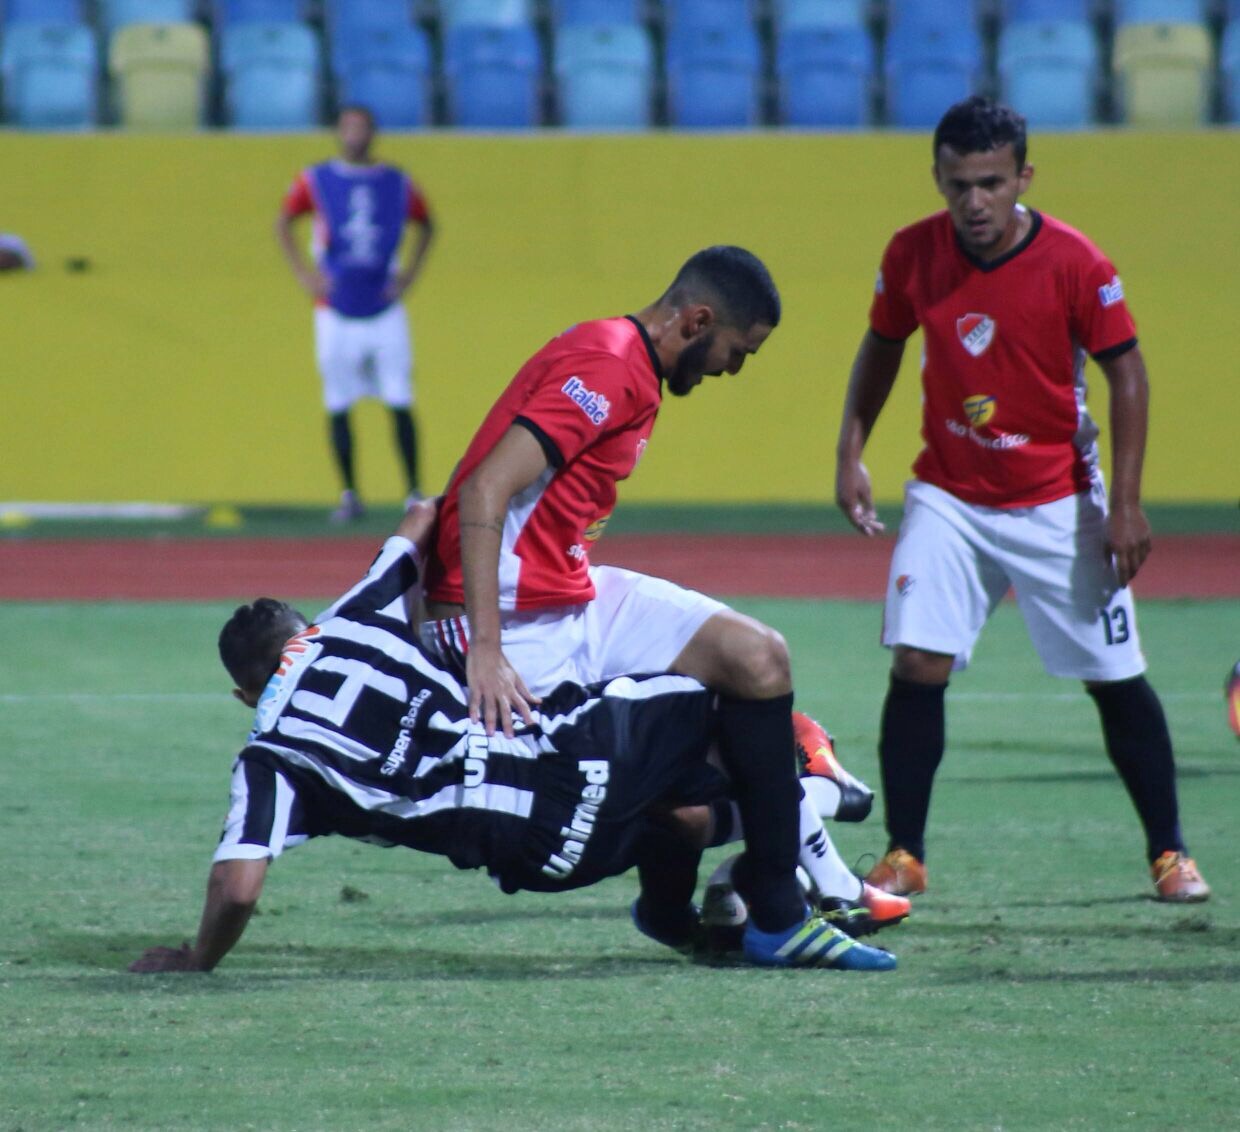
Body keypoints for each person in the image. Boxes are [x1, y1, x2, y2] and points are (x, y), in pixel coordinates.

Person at [129, 501, 897, 974]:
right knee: (740, 677)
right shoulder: (352, 622)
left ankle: (683, 915)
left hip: (541, 860)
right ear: (304, 629)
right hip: (571, 763)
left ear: (243, 693)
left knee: (682, 813)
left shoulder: (268, 760)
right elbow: (422, 517)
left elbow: (237, 887)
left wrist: (198, 959)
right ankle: (806, 856)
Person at [419, 245, 909, 945]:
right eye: (737, 351)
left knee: (758, 659)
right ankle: (765, 852)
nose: (732, 369)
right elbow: (483, 488)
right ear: (698, 320)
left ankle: (774, 894)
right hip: (505, 622)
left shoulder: (627, 364)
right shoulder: (608, 366)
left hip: (566, 594)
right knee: (682, 778)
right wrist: (487, 650)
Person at [833, 95, 1210, 904]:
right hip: (950, 495)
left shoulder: (1078, 263)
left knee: (1115, 675)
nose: (974, 201)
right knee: (918, 662)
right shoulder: (910, 255)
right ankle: (905, 853)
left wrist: (1128, 503)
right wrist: (851, 450)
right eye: (958, 183)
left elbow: (1127, 372)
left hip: (1057, 498)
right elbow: (883, 346)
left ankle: (1170, 853)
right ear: (937, 177)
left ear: (1023, 178)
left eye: (992, 183)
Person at [276, 104, 435, 523]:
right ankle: (350, 493)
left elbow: (426, 223)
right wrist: (306, 276)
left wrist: (409, 276)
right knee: (339, 399)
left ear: (372, 132)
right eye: (347, 127)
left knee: (399, 396)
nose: (354, 135)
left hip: (384, 305)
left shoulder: (397, 182)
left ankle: (413, 490)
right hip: (335, 307)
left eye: (361, 127)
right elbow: (285, 220)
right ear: (337, 132)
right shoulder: (315, 179)